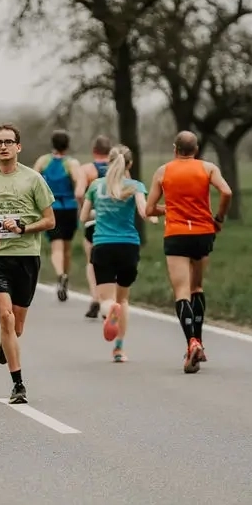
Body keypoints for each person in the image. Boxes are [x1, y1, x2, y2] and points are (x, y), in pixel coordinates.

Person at [0, 124, 56, 404]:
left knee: (16, 327)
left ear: (19, 147)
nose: (4, 146)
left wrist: (22, 226)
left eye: (9, 142)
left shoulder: (33, 179)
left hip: (26, 256)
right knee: (5, 317)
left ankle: (6, 342)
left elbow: (50, 221)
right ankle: (18, 384)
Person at [146, 131, 233, 373]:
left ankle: (191, 342)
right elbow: (226, 192)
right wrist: (219, 218)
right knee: (197, 288)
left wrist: (167, 209)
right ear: (196, 149)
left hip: (176, 234)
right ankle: (200, 342)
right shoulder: (208, 168)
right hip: (203, 233)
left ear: (175, 149)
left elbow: (149, 209)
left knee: (182, 292)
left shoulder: (163, 171)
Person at [78, 146, 155, 362]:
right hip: (129, 247)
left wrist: (100, 210)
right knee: (124, 300)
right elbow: (143, 211)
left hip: (103, 245)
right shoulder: (135, 186)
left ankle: (109, 309)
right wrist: (155, 216)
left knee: (107, 300)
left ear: (108, 163)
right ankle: (119, 349)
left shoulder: (95, 186)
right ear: (129, 164)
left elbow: (84, 217)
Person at [33, 130, 81, 302]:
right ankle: (64, 275)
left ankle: (60, 274)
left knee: (56, 246)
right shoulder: (71, 163)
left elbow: (34, 181)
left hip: (51, 207)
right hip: (69, 207)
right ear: (67, 145)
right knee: (67, 248)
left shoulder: (43, 161)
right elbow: (78, 184)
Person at [75, 135, 113, 318]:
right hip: (114, 220)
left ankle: (96, 298)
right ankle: (109, 301)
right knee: (111, 262)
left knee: (92, 261)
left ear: (93, 151)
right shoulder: (118, 169)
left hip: (93, 220)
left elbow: (79, 192)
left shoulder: (87, 170)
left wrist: (85, 208)